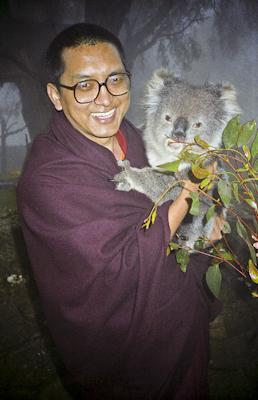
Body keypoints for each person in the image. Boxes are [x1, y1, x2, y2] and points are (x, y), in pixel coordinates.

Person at [17, 23, 225, 399]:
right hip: (133, 362)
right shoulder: (49, 179)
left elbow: (185, 221)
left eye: (115, 80)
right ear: (55, 95)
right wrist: (189, 195)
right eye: (84, 85)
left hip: (183, 333)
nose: (105, 99)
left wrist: (216, 225)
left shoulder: (132, 133)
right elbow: (121, 268)